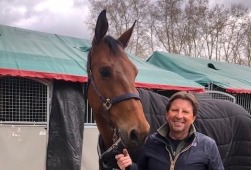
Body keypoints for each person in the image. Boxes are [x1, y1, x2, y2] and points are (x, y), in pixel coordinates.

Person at [115, 91, 224, 170]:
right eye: (175, 110)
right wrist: (130, 166)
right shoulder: (152, 141)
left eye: (185, 112)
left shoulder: (207, 145)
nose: (179, 116)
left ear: (193, 118)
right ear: (167, 114)